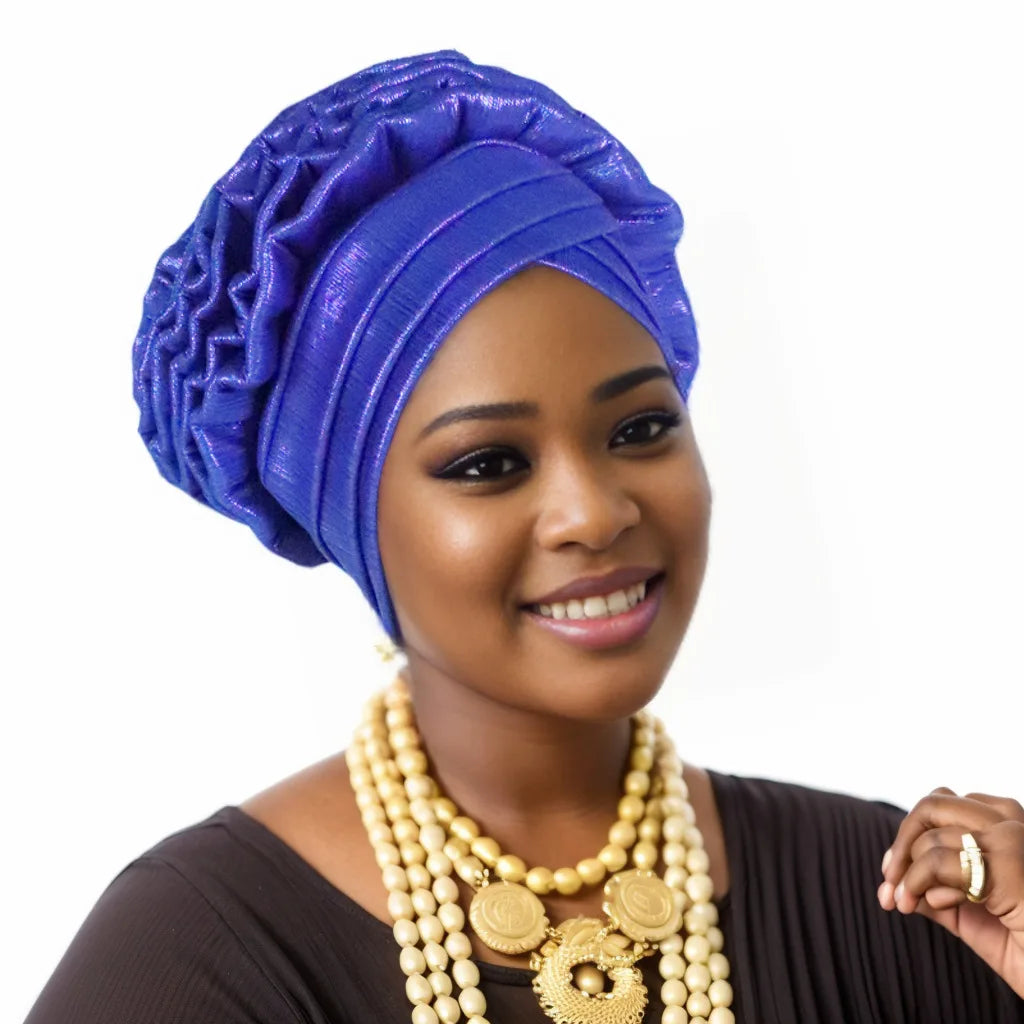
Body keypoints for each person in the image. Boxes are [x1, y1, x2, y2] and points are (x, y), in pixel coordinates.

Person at [25, 50, 1024, 1024]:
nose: (594, 512)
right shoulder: (197, 954)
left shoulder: (908, 903)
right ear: (353, 520)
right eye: (486, 463)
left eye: (640, 428)